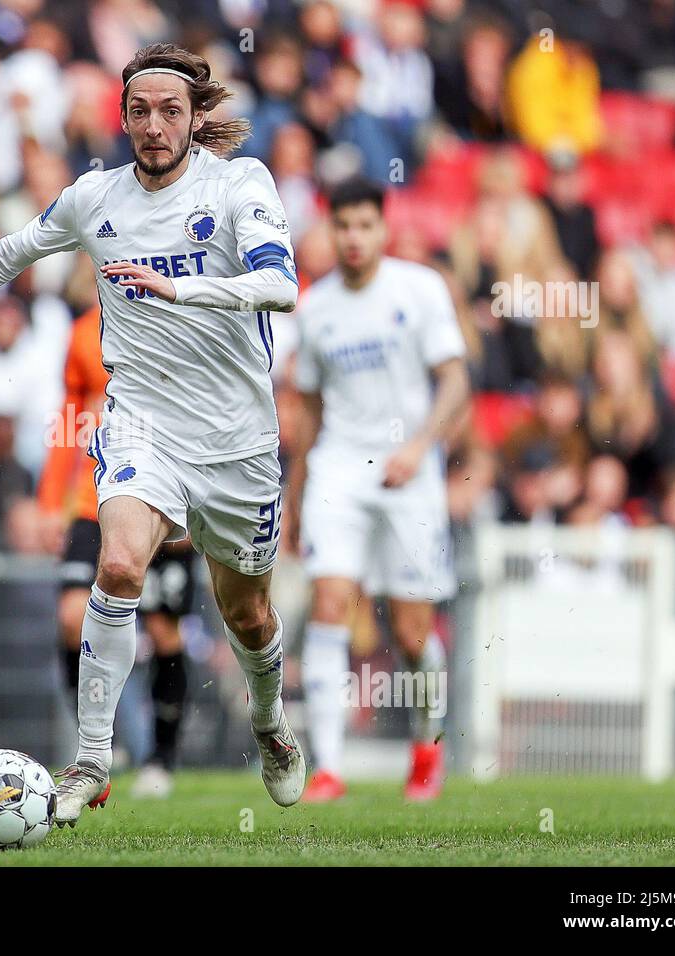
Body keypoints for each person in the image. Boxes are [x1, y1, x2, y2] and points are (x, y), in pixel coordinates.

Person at [0, 43, 305, 825]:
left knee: (248, 615)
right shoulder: (95, 198)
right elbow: (9, 254)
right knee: (117, 565)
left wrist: (177, 288)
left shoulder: (238, 183)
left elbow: (278, 286)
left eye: (171, 111)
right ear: (122, 117)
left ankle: (270, 723)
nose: (154, 126)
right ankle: (90, 760)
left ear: (194, 119)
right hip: (141, 421)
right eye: (140, 111)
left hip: (238, 440)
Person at [286, 176, 471, 803]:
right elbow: (308, 411)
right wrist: (295, 491)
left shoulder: (418, 290)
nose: (354, 238)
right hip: (340, 468)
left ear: (383, 228)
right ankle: (328, 768)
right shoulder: (314, 309)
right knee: (331, 603)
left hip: (409, 471)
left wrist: (419, 446)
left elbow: (455, 381)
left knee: (413, 634)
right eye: (343, 226)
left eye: (366, 225)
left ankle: (428, 748)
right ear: (330, 230)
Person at [36, 305, 195, 798]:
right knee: (70, 615)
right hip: (92, 497)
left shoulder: (179, 312)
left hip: (163, 494)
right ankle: (98, 746)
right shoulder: (83, 331)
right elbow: (70, 414)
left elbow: (201, 405)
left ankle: (160, 759)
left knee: (163, 631)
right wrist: (48, 500)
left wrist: (194, 495)